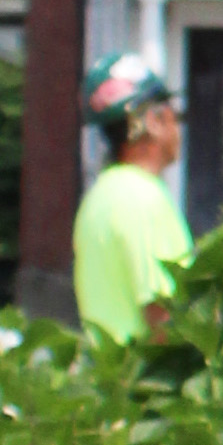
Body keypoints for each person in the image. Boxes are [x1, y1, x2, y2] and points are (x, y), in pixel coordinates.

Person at [71, 62, 190, 336]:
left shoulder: (99, 196)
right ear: (152, 121)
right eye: (173, 115)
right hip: (145, 375)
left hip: (108, 371)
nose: (177, 126)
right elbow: (163, 313)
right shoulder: (144, 198)